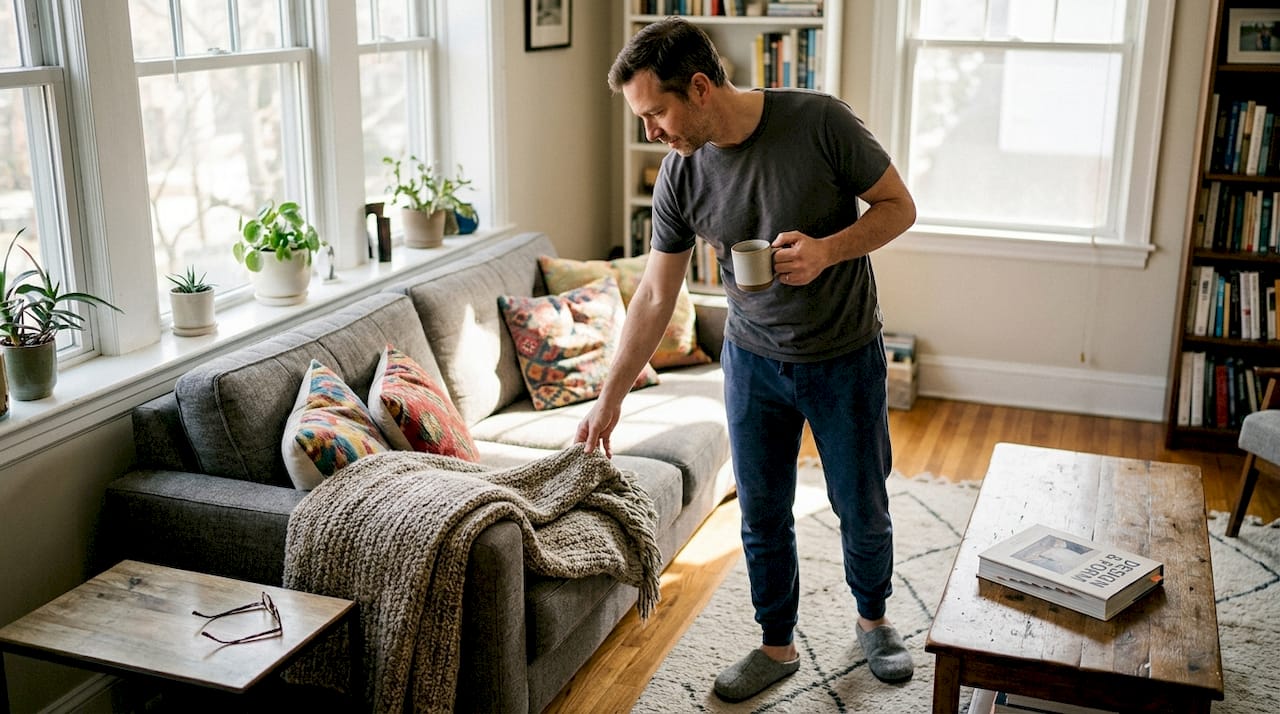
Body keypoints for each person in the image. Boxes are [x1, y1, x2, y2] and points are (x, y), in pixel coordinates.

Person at [577, 17, 918, 704]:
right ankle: (776, 645)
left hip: (843, 354)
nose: (653, 133)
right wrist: (609, 396)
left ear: (699, 88)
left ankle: (874, 620)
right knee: (762, 512)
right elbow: (652, 293)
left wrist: (827, 250)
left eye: (657, 113)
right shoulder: (680, 175)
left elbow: (898, 208)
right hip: (752, 362)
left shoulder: (820, 123)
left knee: (862, 504)